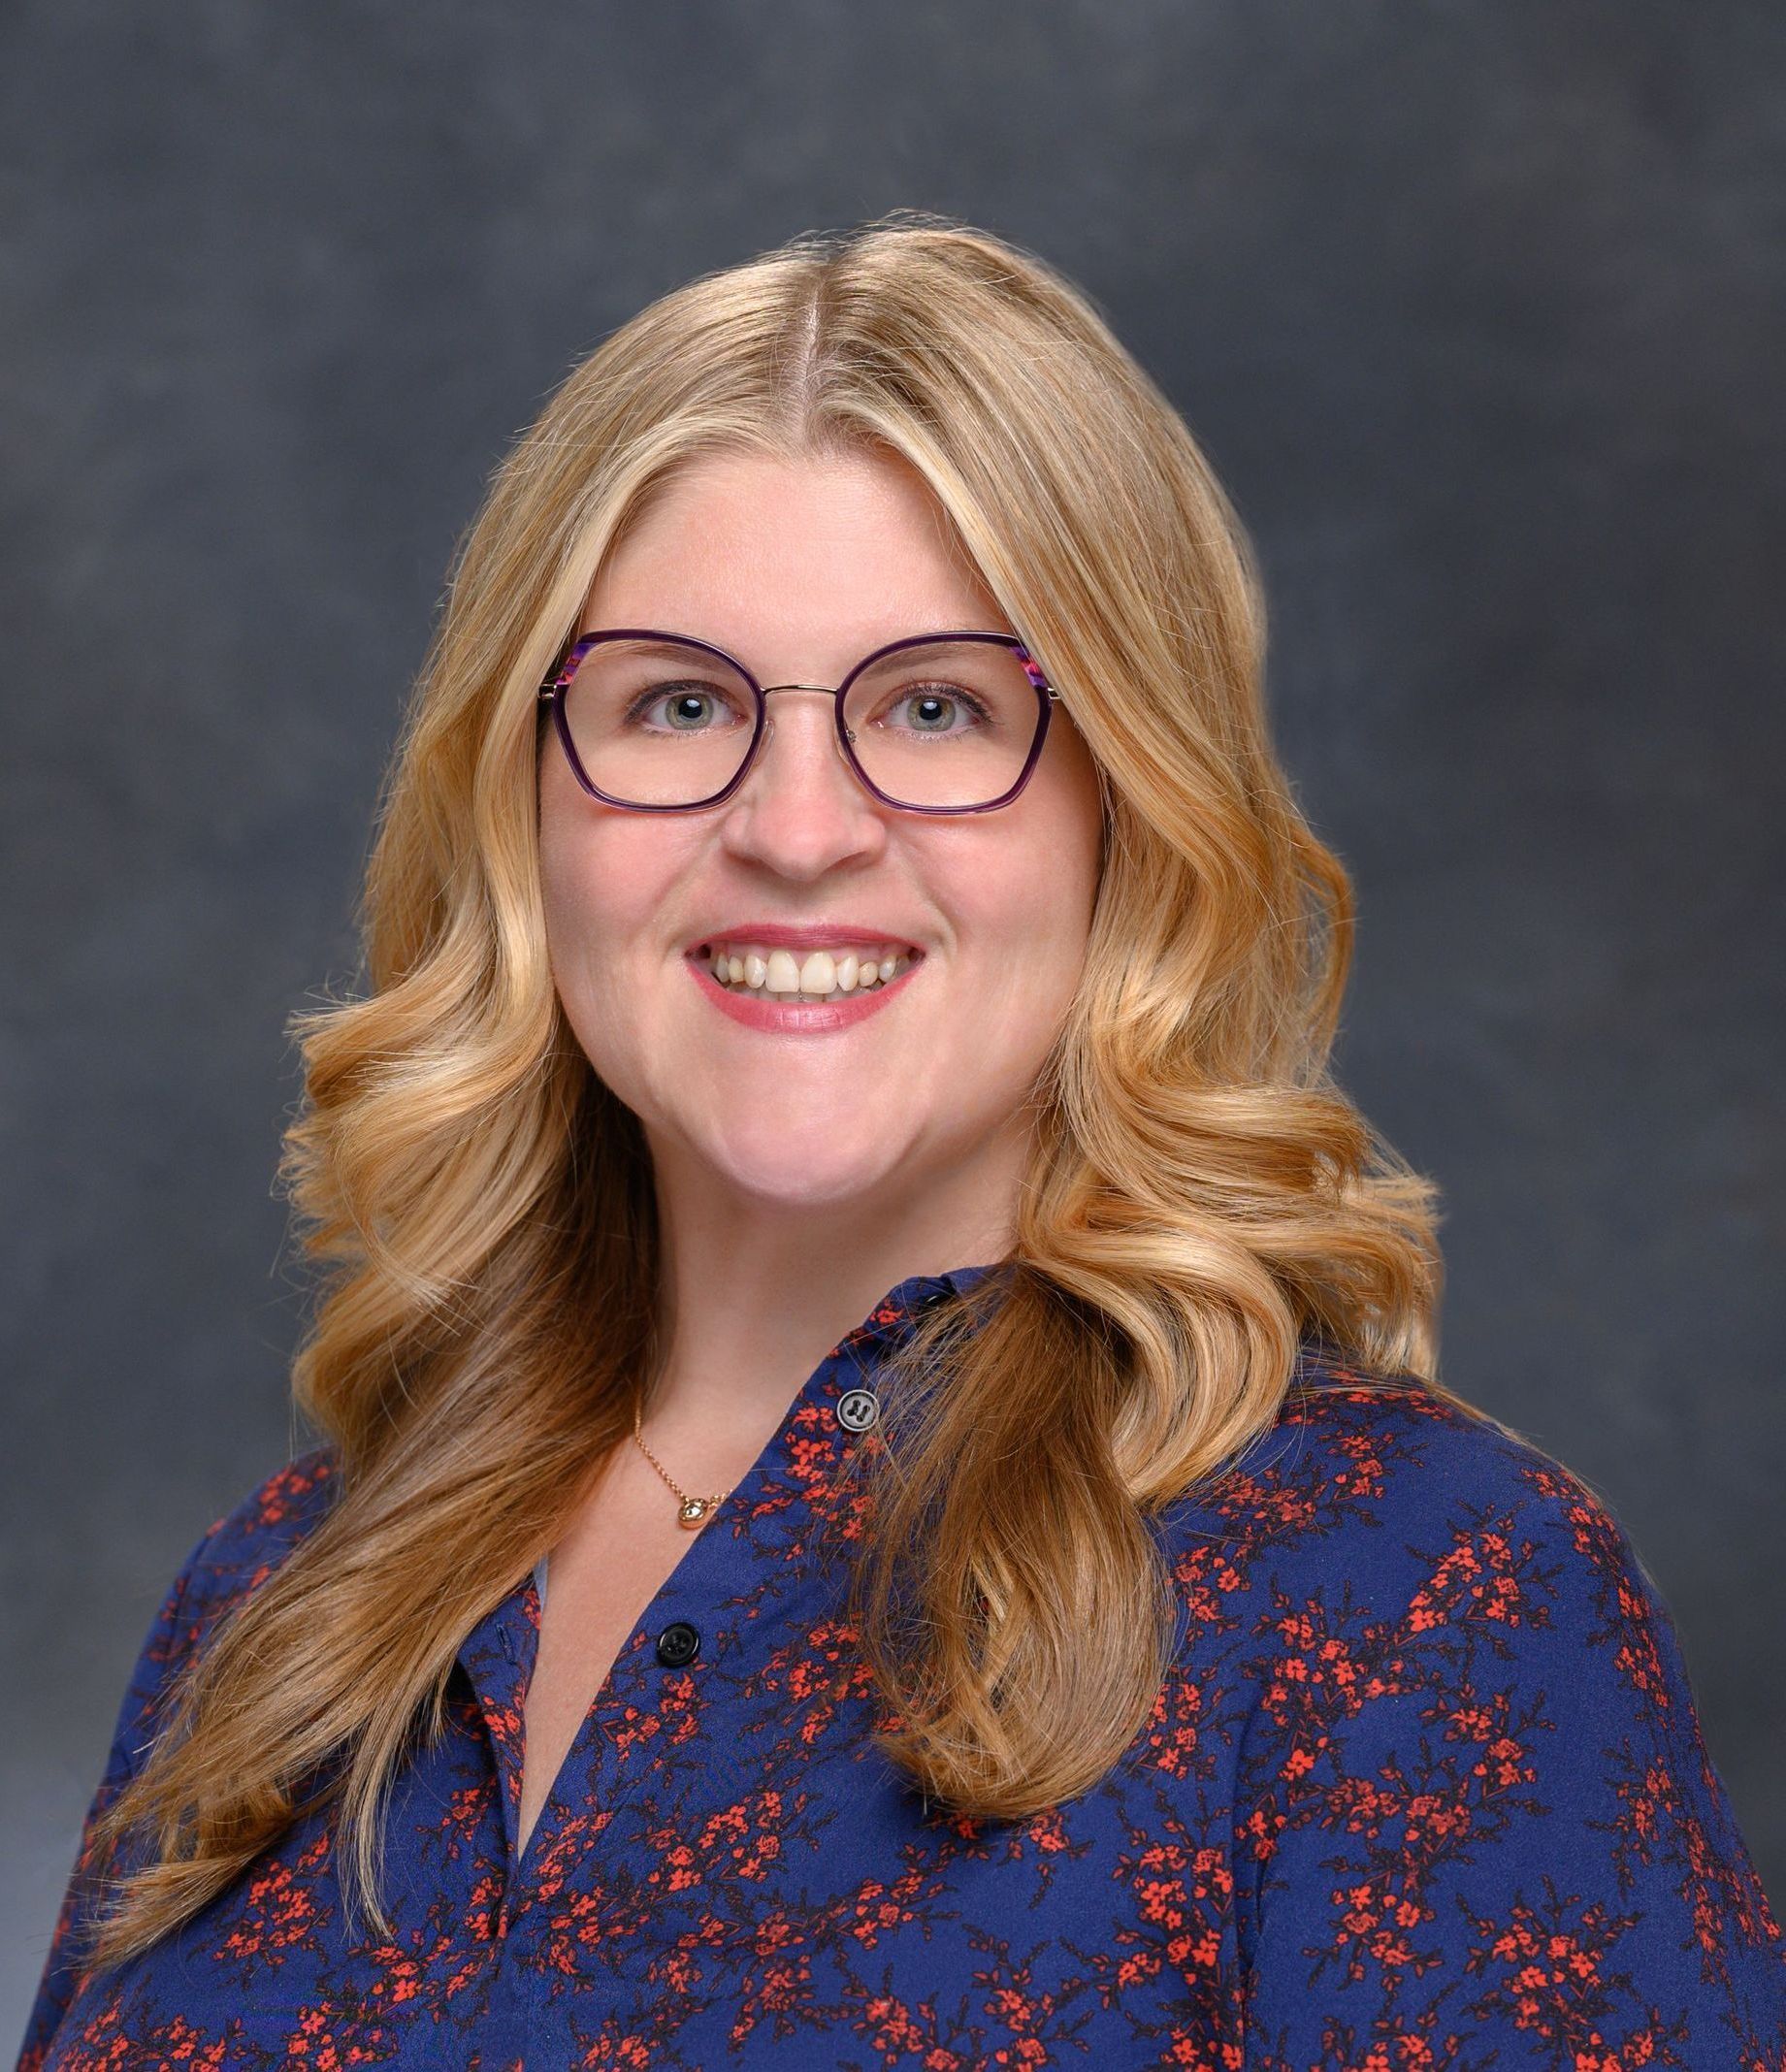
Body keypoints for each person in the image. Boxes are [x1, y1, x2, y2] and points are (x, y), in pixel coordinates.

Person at [18, 211, 1785, 2070]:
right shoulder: (280, 1614)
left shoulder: (1415, 1594)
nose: (796, 826)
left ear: (1132, 807)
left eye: (937, 709)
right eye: (676, 704)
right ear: (523, 813)